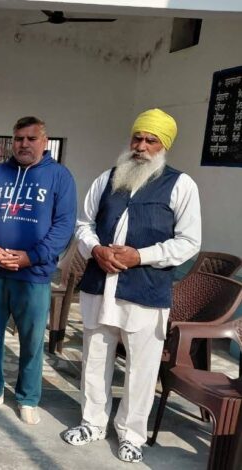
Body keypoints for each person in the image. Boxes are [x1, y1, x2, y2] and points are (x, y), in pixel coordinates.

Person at [62, 109, 201, 464]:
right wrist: (95, 249)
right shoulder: (108, 178)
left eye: (151, 140)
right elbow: (83, 224)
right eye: (137, 138)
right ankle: (92, 423)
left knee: (141, 368)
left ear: (164, 145)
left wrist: (141, 256)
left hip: (145, 292)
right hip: (100, 286)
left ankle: (131, 435)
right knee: (95, 359)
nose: (141, 146)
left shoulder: (181, 185)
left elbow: (189, 242)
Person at [0, 116, 76, 424]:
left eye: (31, 138)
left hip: (33, 274)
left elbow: (64, 225)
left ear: (44, 141)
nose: (24, 144)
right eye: (18, 139)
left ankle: (28, 397)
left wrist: (32, 257)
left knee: (31, 339)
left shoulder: (59, 177)